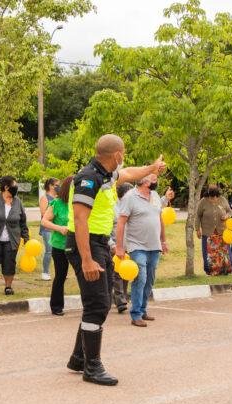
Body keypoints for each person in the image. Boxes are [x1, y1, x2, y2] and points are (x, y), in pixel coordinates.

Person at [64, 134, 165, 386]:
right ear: (117, 155)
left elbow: (130, 173)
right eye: (124, 153)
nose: (125, 158)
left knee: (100, 301)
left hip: (98, 244)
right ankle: (92, 367)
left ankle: (79, 357)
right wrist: (86, 259)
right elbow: (79, 220)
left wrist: (152, 168)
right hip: (85, 246)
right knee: (97, 304)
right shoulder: (89, 178)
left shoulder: (106, 174)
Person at [116, 173, 169, 327]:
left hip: (154, 246)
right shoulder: (129, 197)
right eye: (153, 178)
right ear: (144, 181)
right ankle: (136, 314)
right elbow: (121, 223)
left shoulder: (155, 196)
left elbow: (160, 219)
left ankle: (143, 309)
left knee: (150, 279)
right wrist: (120, 247)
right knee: (141, 278)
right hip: (136, 245)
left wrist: (163, 240)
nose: (156, 181)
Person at [41, 176, 73, 316]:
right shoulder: (57, 203)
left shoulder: (78, 203)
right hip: (60, 245)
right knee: (61, 275)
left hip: (77, 245)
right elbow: (45, 221)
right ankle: (56, 306)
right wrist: (60, 228)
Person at [195, 185, 232, 275]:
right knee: (210, 252)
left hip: (222, 231)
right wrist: (197, 229)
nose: (214, 198)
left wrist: (226, 216)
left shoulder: (223, 199)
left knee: (223, 251)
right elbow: (198, 215)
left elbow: (229, 211)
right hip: (208, 232)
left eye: (216, 196)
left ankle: (224, 270)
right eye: (212, 196)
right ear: (208, 194)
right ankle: (211, 270)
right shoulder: (203, 201)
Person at [110, 183, 134, 314]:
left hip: (129, 246)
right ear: (124, 194)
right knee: (116, 274)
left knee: (125, 273)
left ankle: (122, 296)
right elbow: (107, 229)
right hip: (114, 246)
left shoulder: (131, 207)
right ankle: (120, 300)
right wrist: (112, 245)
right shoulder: (113, 208)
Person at [38, 178, 59, 281]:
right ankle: (45, 272)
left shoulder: (57, 198)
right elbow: (43, 213)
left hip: (56, 228)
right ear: (50, 186)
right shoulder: (44, 198)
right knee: (49, 251)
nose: (58, 187)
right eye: (56, 185)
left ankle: (58, 272)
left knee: (57, 251)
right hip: (47, 229)